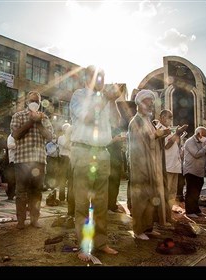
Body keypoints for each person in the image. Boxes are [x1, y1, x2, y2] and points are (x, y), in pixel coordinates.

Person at [70, 65, 118, 261]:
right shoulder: (79, 95)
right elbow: (87, 118)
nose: (101, 82)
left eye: (103, 78)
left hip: (103, 153)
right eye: (97, 78)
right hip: (82, 151)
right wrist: (106, 98)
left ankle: (101, 242)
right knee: (82, 202)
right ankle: (84, 245)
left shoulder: (105, 99)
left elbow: (116, 122)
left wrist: (113, 101)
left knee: (101, 202)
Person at [128, 90, 170, 240]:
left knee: (152, 197)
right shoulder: (136, 121)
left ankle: (148, 227)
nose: (150, 104)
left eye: (151, 102)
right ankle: (138, 230)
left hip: (152, 164)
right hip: (141, 165)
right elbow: (139, 144)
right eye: (147, 101)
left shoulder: (147, 120)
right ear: (139, 103)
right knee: (141, 199)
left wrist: (160, 135)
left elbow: (152, 139)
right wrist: (158, 134)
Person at [11, 91, 53, 229]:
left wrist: (39, 122)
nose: (34, 103)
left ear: (40, 103)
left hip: (39, 160)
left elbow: (49, 137)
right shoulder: (18, 115)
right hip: (22, 160)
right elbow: (16, 135)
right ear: (27, 102)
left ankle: (34, 219)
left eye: (37, 100)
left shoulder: (44, 118)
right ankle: (21, 221)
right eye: (31, 100)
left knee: (36, 191)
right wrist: (31, 121)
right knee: (21, 192)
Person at [156, 109, 188, 212]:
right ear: (162, 117)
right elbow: (166, 145)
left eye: (171, 117)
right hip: (167, 165)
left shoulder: (169, 129)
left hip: (174, 165)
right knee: (166, 191)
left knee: (172, 193)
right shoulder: (159, 129)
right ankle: (163, 215)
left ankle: (168, 213)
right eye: (169, 117)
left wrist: (179, 134)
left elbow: (175, 145)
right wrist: (177, 133)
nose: (171, 119)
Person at [183, 127, 206, 218]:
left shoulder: (203, 142)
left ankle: (196, 209)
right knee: (190, 192)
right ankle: (189, 211)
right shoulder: (190, 142)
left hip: (200, 171)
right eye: (204, 135)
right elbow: (196, 154)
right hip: (191, 170)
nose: (205, 137)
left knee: (197, 192)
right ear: (198, 134)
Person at [5, 133, 16, 200]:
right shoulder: (11, 136)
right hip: (13, 161)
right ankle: (10, 194)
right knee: (11, 180)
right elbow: (9, 145)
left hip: (20, 161)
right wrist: (18, 144)